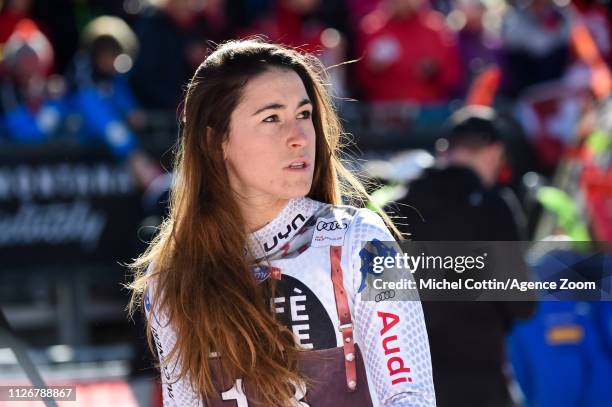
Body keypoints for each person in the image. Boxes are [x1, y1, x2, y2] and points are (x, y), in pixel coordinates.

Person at [127, 39, 436, 406]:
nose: (299, 137)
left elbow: (410, 396)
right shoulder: (171, 275)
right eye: (271, 118)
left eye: (304, 114)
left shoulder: (359, 241)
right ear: (215, 141)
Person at [390, 105, 534, 407]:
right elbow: (522, 304)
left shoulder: (396, 207)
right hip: (480, 380)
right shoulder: (494, 207)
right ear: (494, 152)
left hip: (410, 381)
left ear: (446, 150)